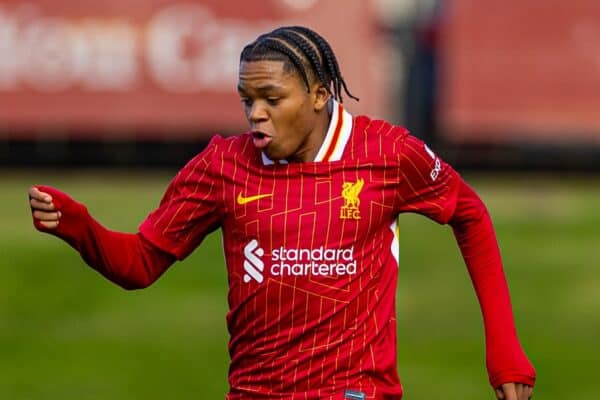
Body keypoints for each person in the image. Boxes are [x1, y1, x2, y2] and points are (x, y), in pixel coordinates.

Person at [28, 26, 535, 400]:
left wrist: (504, 349)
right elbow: (139, 263)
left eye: (272, 98)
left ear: (318, 96)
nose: (256, 113)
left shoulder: (385, 152)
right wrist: (79, 226)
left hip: (355, 392)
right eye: (247, 99)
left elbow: (469, 213)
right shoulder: (222, 165)